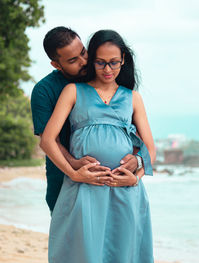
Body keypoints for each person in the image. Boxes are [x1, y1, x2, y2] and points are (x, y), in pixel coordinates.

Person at [40, 29, 156, 263]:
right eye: (101, 62)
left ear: (123, 59)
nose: (107, 68)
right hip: (84, 188)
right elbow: (48, 140)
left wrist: (135, 175)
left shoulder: (133, 97)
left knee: (123, 260)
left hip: (125, 192)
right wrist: (73, 173)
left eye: (113, 62)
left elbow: (150, 148)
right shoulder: (72, 91)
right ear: (92, 60)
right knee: (84, 261)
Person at [31, 27, 140, 213]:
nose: (83, 61)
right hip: (64, 178)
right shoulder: (44, 91)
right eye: (73, 60)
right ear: (56, 65)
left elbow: (131, 129)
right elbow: (50, 140)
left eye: (83, 52)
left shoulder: (104, 75)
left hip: (114, 186)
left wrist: (137, 161)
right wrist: (74, 166)